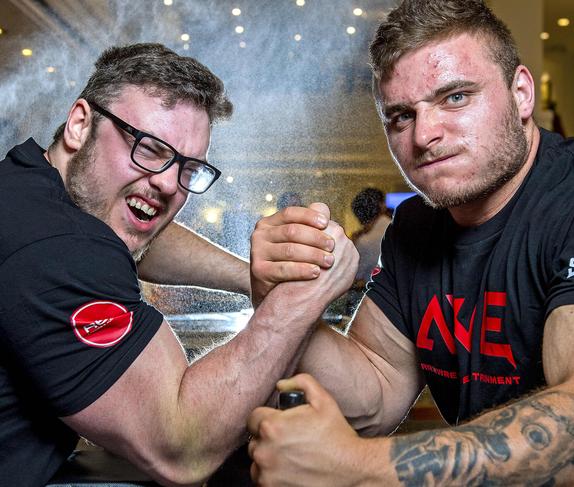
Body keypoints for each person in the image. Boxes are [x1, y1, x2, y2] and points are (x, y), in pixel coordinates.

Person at [245, 0, 574, 485]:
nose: (425, 134)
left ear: (521, 94)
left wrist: (357, 470)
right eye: (400, 116)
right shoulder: (416, 225)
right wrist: (279, 292)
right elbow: (374, 390)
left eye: (455, 97)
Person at [0, 43, 357, 487]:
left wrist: (250, 276)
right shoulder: (58, 246)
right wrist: (300, 295)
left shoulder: (27, 188)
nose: (169, 183)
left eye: (189, 168)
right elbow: (181, 447)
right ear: (79, 124)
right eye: (149, 149)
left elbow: (135, 236)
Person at [350, 187, 392, 282]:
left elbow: (354, 275)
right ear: (382, 206)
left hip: (377, 294)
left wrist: (353, 245)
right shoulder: (398, 228)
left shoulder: (365, 241)